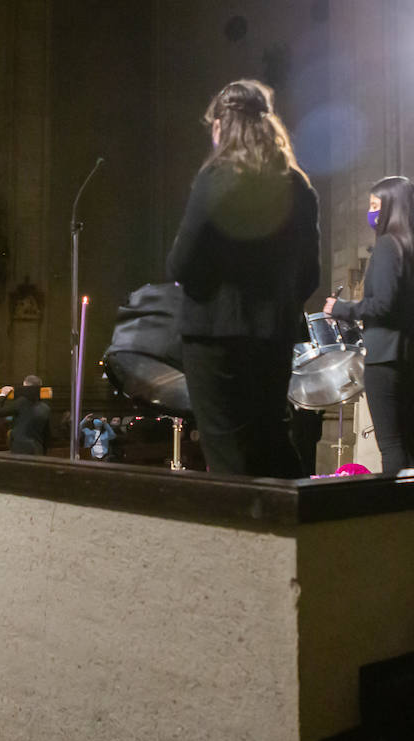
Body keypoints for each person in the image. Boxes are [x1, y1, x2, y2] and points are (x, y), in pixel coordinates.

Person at [167, 78, 320, 478]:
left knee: (227, 448)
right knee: (272, 439)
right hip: (274, 334)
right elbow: (310, 275)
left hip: (215, 335)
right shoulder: (298, 187)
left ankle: (242, 538)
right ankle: (296, 535)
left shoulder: (216, 177)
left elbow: (180, 264)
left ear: (221, 125)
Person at [322, 176, 414, 475]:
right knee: (412, 442)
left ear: (392, 209)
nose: (370, 213)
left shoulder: (388, 246)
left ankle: (396, 515)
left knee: (392, 445)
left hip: (387, 356)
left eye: (375, 206)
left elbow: (384, 305)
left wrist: (342, 308)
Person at [0, 375, 51, 455]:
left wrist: (3, 395)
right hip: (38, 450)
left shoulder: (21, 403)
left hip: (20, 450)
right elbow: (47, 435)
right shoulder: (46, 408)